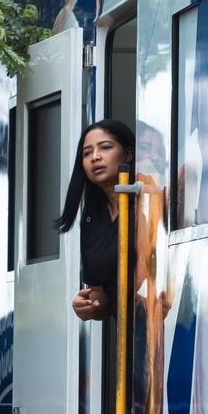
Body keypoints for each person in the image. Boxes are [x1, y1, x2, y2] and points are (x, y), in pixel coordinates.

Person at [58, 119, 135, 321]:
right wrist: (88, 304)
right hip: (128, 340)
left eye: (105, 148)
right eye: (87, 153)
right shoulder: (91, 221)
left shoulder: (150, 200)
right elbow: (101, 294)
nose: (95, 157)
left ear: (128, 153)